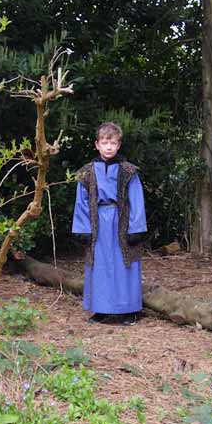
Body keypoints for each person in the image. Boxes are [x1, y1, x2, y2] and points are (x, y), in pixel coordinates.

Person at [72, 122, 147, 325]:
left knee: (125, 264)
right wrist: (83, 228)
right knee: (100, 264)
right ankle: (102, 309)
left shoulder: (128, 171)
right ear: (97, 144)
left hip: (122, 222)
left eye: (113, 143)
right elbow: (81, 202)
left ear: (118, 145)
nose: (108, 147)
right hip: (98, 224)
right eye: (105, 143)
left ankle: (130, 310)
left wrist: (136, 228)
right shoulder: (87, 173)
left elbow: (136, 199)